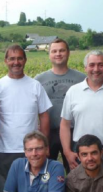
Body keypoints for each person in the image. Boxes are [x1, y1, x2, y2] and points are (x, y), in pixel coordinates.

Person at [0, 44, 51, 192]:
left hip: (31, 149)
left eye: (20, 58)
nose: (16, 62)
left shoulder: (35, 85)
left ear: (25, 60)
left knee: (33, 191)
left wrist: (43, 144)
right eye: (12, 59)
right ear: (5, 61)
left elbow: (44, 115)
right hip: (5, 149)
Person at [60, 50, 103, 170]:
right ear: (85, 68)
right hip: (81, 152)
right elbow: (65, 124)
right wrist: (67, 152)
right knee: (82, 187)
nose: (96, 69)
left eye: (100, 65)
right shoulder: (73, 91)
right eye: (92, 65)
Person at [35, 38, 86, 172]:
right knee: (45, 170)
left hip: (74, 132)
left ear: (68, 53)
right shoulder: (39, 80)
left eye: (62, 50)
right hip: (48, 132)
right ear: (49, 54)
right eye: (54, 51)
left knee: (75, 170)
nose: (58, 54)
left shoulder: (81, 79)